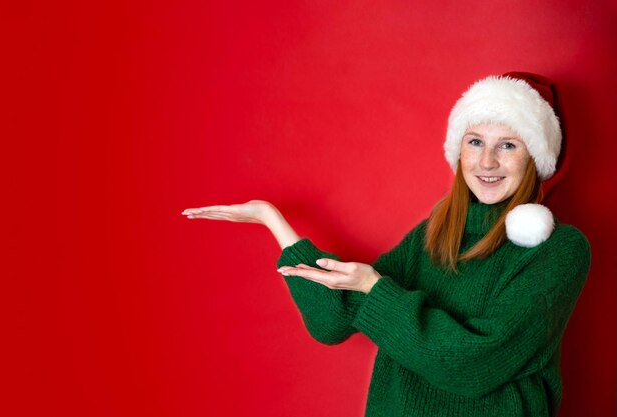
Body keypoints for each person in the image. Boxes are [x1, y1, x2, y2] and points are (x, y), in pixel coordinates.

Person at [182, 73, 591, 417]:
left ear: (535, 157)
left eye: (508, 145)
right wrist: (274, 221)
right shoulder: (434, 234)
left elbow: (473, 364)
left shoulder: (559, 250)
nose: (486, 162)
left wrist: (374, 289)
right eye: (475, 141)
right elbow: (333, 322)